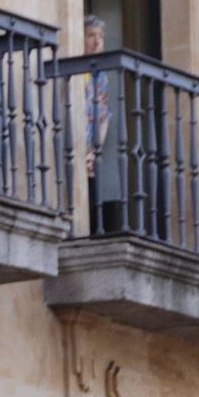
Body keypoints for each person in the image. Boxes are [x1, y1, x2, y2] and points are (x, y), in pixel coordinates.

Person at [83, 14, 125, 235]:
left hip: (90, 148)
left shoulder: (100, 75)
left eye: (100, 36)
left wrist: (94, 150)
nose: (97, 41)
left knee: (92, 189)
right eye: (91, 36)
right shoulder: (77, 70)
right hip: (75, 145)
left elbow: (104, 114)